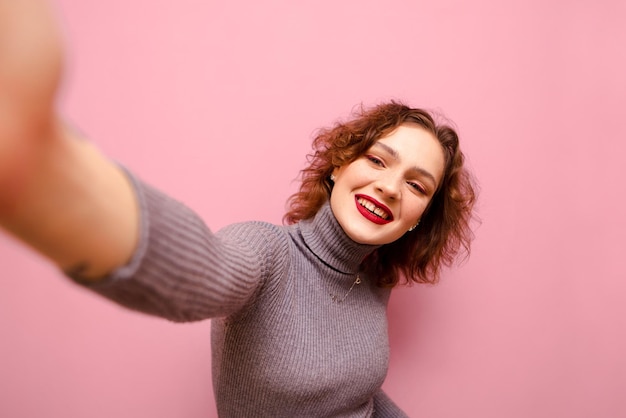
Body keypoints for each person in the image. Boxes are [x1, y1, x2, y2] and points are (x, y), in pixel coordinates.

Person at [0, 1, 477, 417]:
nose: (392, 187)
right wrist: (46, 176)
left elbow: (360, 399)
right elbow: (201, 270)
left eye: (416, 185)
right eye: (377, 160)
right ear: (338, 166)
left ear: (419, 218)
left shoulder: (373, 279)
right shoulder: (267, 255)